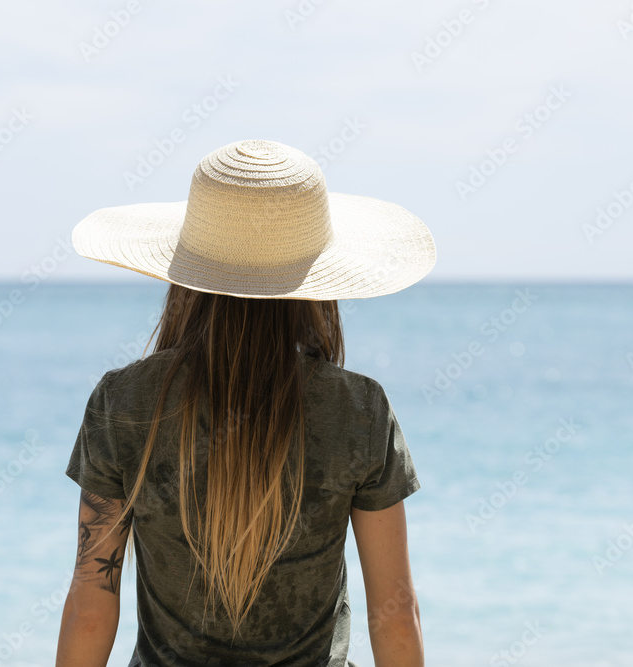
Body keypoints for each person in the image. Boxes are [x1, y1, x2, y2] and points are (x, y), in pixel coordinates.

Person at [56, 139, 437, 667]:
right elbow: (394, 613)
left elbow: (92, 605)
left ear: (186, 275)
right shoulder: (359, 410)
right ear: (316, 282)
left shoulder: (122, 402)